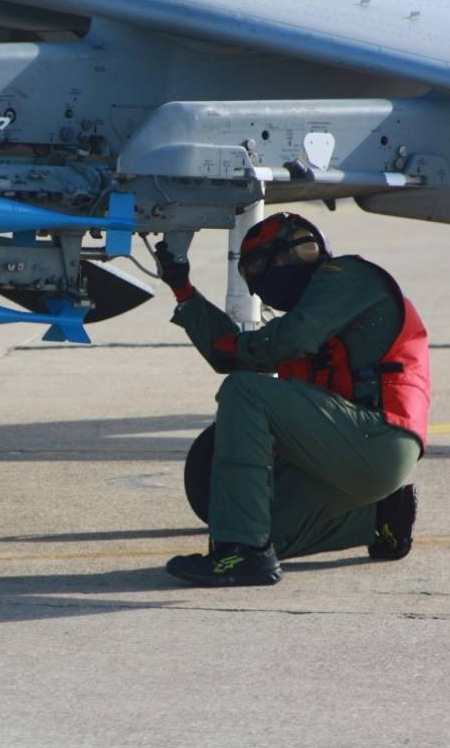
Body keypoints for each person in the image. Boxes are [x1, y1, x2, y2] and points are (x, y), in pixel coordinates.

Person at [154, 212, 430, 587]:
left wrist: (240, 346)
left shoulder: (347, 278)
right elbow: (231, 353)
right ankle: (377, 517)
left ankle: (244, 554)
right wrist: (183, 290)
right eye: (249, 266)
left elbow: (274, 345)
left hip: (379, 440)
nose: (262, 274)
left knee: (245, 391)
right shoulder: (310, 321)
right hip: (343, 456)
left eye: (263, 261)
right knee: (255, 523)